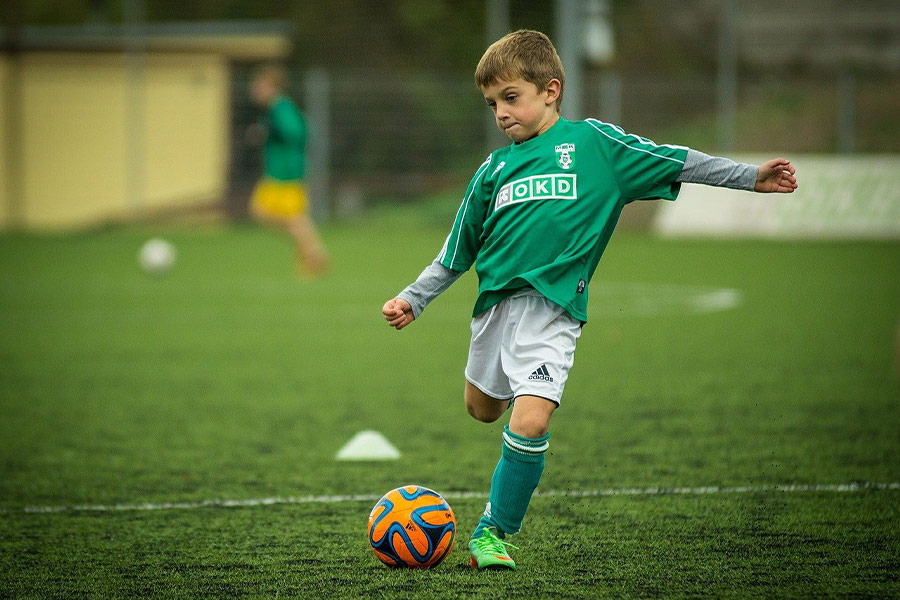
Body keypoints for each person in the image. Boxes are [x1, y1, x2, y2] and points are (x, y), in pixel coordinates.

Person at [382, 30, 797, 571]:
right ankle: (521, 403)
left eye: (512, 97)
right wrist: (414, 300)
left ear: (551, 90)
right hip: (494, 312)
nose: (501, 113)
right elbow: (456, 252)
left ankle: (493, 532)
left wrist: (748, 177)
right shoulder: (492, 171)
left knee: (529, 422)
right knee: (482, 409)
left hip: (554, 312)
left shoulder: (596, 146)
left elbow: (677, 160)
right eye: (492, 104)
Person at [249, 64, 330, 276]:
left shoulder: (280, 108)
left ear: (272, 87)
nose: (255, 89)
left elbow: (298, 131)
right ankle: (311, 251)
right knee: (270, 214)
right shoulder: (275, 109)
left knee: (285, 216)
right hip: (279, 171)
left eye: (260, 85)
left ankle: (313, 253)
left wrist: (272, 131)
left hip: (286, 172)